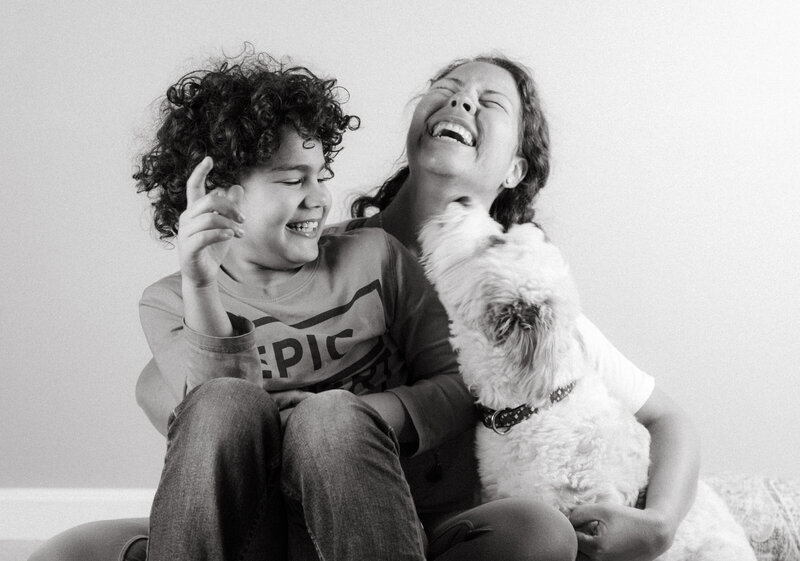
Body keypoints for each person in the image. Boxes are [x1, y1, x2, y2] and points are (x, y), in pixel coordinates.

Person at [30, 52, 700, 561]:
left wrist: (661, 521)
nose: (461, 100)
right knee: (66, 547)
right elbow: (178, 396)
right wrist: (210, 319)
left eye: (488, 101)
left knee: (531, 527)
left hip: (402, 511)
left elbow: (663, 413)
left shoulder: (516, 300)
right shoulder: (328, 249)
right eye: (447, 87)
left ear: (516, 169)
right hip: (268, 506)